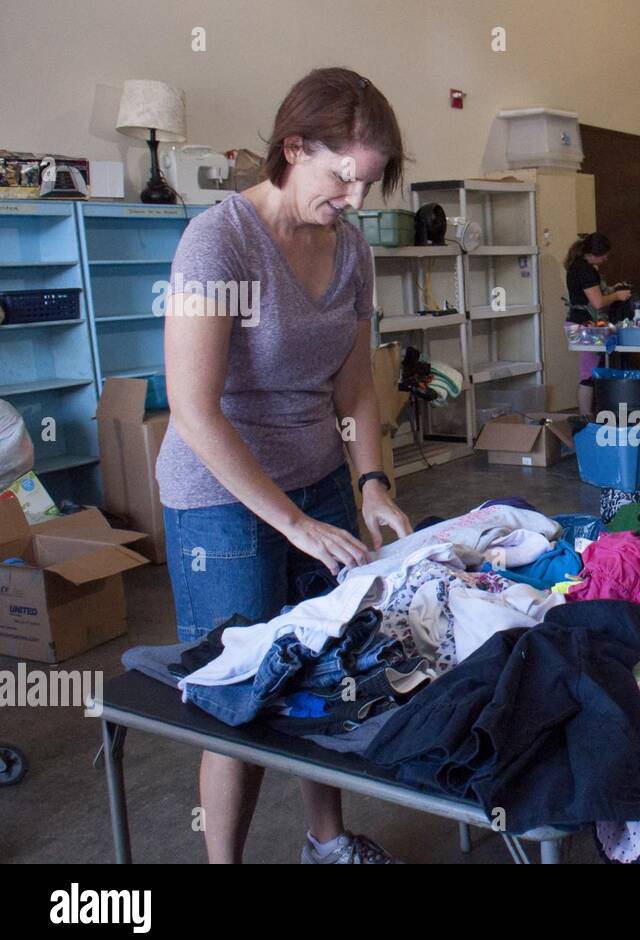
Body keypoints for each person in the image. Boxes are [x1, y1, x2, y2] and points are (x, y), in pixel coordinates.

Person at [157, 67, 415, 864]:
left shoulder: (350, 248)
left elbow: (356, 384)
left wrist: (370, 484)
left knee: (324, 669)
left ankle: (325, 842)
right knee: (237, 699)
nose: (356, 200)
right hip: (222, 500)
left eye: (367, 184)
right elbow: (194, 411)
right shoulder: (221, 241)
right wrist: (295, 524)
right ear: (294, 147)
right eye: (344, 177)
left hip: (319, 479)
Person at [566, 232, 631, 414]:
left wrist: (611, 289)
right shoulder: (585, 270)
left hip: (577, 323)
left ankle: (589, 416)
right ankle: (586, 418)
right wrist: (617, 295)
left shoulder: (578, 266)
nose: (606, 259)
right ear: (596, 254)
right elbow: (598, 302)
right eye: (604, 255)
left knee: (591, 371)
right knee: (588, 375)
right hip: (584, 326)